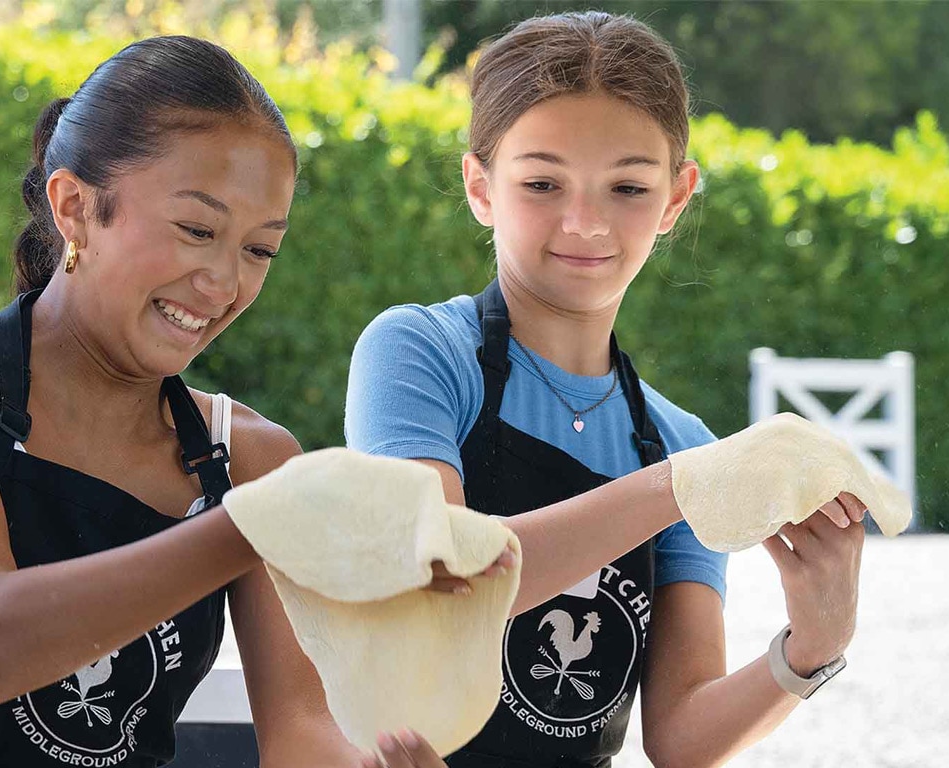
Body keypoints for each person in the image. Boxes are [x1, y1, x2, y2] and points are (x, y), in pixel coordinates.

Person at [0, 34, 442, 767]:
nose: (225, 285)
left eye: (260, 250)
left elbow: (302, 731)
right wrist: (256, 526)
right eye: (197, 230)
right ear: (75, 208)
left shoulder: (252, 457)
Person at [346, 12, 868, 768]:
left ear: (676, 198)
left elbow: (684, 739)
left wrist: (813, 646)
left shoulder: (679, 443)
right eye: (541, 182)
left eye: (627, 186)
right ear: (479, 186)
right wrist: (681, 487)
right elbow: (439, 587)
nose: (584, 222)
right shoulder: (421, 352)